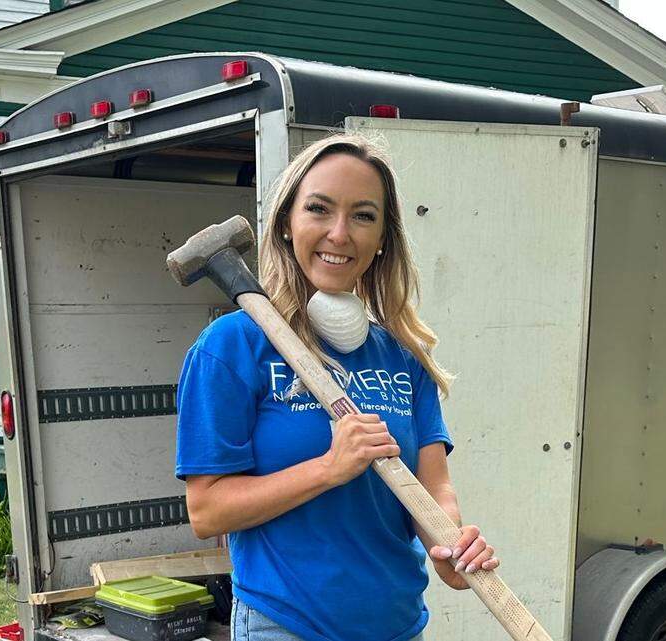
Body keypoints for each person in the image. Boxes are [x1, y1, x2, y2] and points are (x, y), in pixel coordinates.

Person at [175, 134, 499, 641]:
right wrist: (329, 468)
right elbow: (207, 510)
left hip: (398, 625)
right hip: (287, 625)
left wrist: (451, 546)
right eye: (319, 209)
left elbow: (433, 486)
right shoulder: (233, 347)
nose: (340, 233)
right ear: (287, 223)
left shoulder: (402, 356)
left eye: (363, 216)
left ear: (383, 238)